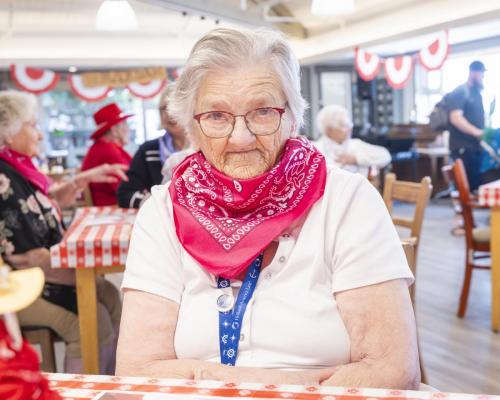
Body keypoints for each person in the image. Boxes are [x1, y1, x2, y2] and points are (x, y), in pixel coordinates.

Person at [117, 28, 419, 389]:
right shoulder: (163, 212)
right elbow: (137, 369)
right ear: (191, 128)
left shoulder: (347, 201)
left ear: (293, 116)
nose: (240, 137)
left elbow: (391, 371)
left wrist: (205, 375)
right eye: (216, 116)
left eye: (262, 112)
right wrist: (278, 381)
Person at [0, 90, 124, 374]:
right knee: (90, 319)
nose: (40, 135)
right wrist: (81, 276)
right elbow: (29, 258)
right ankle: (88, 390)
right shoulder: (3, 178)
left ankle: (116, 380)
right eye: (33, 125)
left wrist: (83, 179)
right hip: (16, 286)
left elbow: (46, 202)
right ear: (8, 133)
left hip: (38, 274)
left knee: (109, 294)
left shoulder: (17, 168)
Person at [117, 84, 188, 208]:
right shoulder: (148, 150)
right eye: (164, 108)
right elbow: (124, 194)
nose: (170, 113)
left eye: (176, 106)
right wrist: (153, 202)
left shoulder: (206, 149)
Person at [314, 104, 391, 176]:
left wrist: (356, 158)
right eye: (344, 125)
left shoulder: (355, 144)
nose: (349, 128)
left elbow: (385, 156)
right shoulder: (315, 149)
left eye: (349, 124)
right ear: (329, 130)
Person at [81, 103, 133, 206]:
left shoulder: (103, 147)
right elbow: (128, 187)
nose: (128, 129)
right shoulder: (109, 151)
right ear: (114, 129)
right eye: (124, 124)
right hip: (113, 207)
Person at [447, 60, 486, 191]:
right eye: (481, 74)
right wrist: (476, 131)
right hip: (463, 148)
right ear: (474, 73)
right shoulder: (461, 91)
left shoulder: (476, 93)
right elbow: (455, 118)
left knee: (474, 186)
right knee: (465, 189)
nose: (482, 77)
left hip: (474, 148)